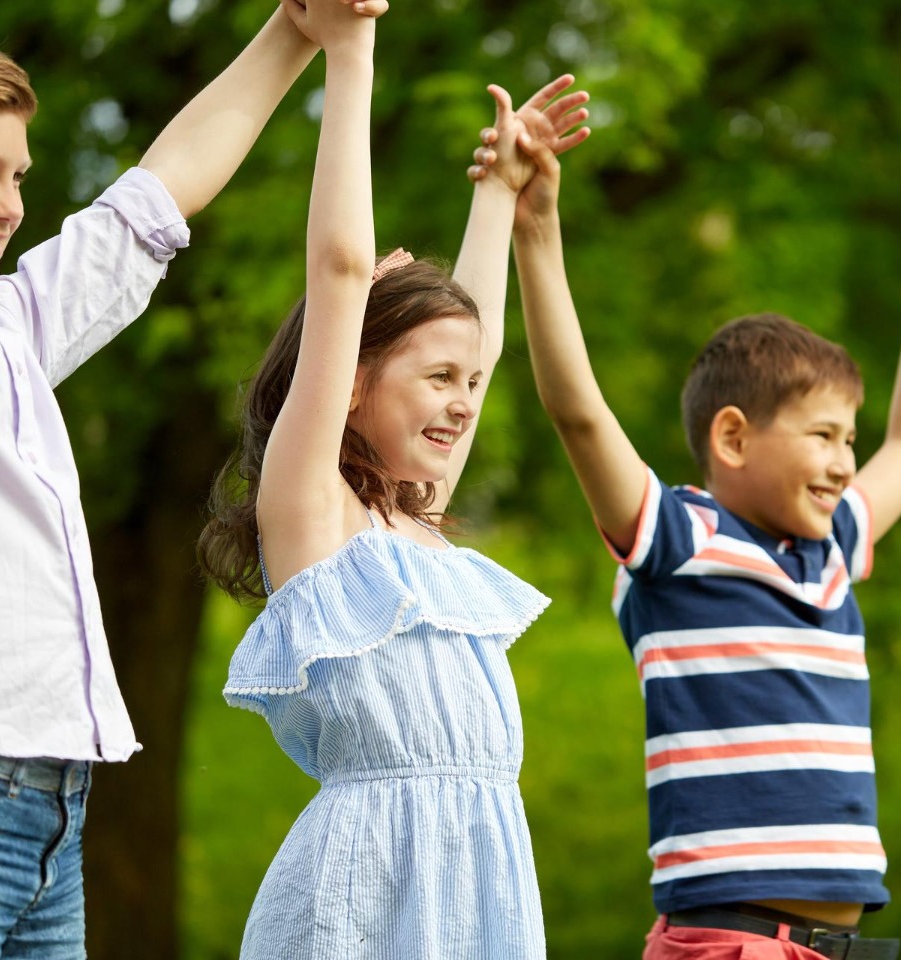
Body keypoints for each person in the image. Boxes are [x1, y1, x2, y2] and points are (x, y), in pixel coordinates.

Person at [0, 2, 386, 956]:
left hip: (55, 796)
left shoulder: (9, 324)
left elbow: (159, 191)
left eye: (18, 176)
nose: (10, 205)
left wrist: (297, 27)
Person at [497, 110, 901, 954]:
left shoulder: (833, 546)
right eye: (822, 436)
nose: (847, 462)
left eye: (850, 439)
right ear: (733, 438)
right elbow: (579, 414)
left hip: (833, 945)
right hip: (731, 940)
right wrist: (539, 231)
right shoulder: (679, 538)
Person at [192, 0, 591, 946]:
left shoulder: (417, 525)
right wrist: (351, 48)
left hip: (480, 880)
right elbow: (337, 269)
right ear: (354, 382)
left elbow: (476, 337)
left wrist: (498, 192)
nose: (464, 402)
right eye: (438, 380)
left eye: (474, 383)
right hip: (366, 893)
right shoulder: (314, 511)